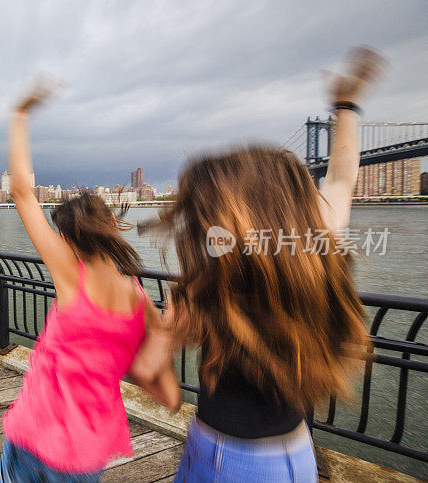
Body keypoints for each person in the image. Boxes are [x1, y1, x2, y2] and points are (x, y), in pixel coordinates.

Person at [137, 46, 385, 482]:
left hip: (226, 459)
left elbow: (146, 370)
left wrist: (159, 325)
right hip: (293, 454)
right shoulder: (311, 244)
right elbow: (342, 179)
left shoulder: (210, 284)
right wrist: (346, 106)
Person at [0, 81, 181, 482]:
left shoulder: (69, 275)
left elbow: (21, 194)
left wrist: (20, 115)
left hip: (34, 435)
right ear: (114, 224)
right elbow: (167, 393)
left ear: (66, 240)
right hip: (84, 456)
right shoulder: (139, 300)